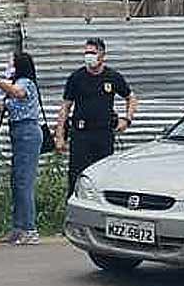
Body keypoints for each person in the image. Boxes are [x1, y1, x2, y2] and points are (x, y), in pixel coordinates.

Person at [55, 38, 138, 200]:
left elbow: (131, 98)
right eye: (86, 52)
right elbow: (65, 107)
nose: (89, 56)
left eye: (92, 52)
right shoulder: (76, 78)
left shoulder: (113, 77)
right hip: (81, 135)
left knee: (103, 176)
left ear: (102, 55)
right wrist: (60, 136)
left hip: (104, 134)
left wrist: (127, 119)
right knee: (77, 177)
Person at [0, 52, 42, 245]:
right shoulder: (13, 85)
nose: (8, 66)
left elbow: (18, 93)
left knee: (24, 182)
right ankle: (18, 228)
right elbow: (1, 105)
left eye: (11, 63)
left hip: (28, 132)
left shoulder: (25, 82)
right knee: (16, 182)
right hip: (18, 133)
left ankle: (30, 229)